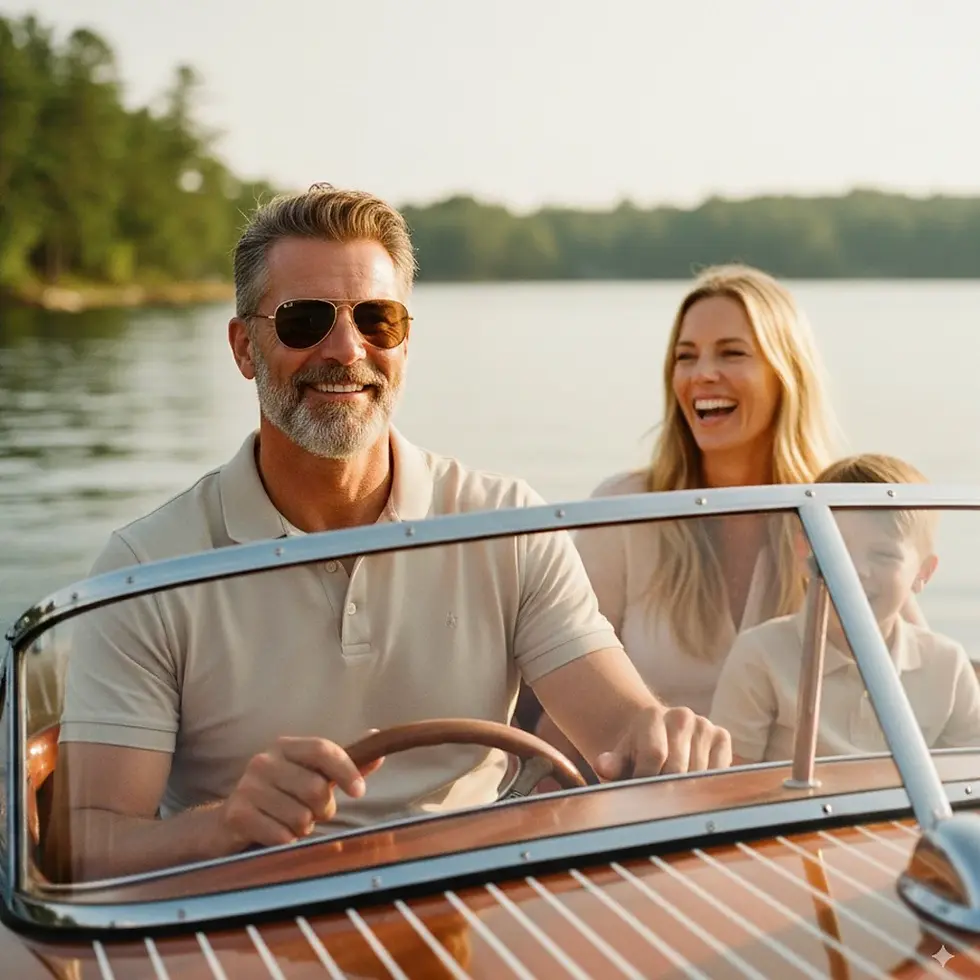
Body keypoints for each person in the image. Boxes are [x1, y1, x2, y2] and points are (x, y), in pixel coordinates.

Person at [49, 183, 731, 881]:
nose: (347, 349)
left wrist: (662, 738)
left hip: (469, 910)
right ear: (244, 346)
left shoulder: (506, 524)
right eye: (304, 320)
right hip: (245, 924)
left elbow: (621, 730)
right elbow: (83, 844)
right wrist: (226, 824)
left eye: (379, 320)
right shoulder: (145, 566)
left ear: (404, 341)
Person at [526, 265, 837, 760]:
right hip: (654, 812)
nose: (701, 374)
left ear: (788, 371)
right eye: (685, 357)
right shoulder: (624, 510)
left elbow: (910, 672)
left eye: (731, 353)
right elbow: (563, 697)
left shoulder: (838, 516)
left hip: (803, 815)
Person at [710, 454, 980, 763]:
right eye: (838, 547)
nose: (858, 570)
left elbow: (969, 783)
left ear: (923, 573)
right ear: (804, 552)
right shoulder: (760, 655)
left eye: (883, 554)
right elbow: (730, 786)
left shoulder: (947, 665)